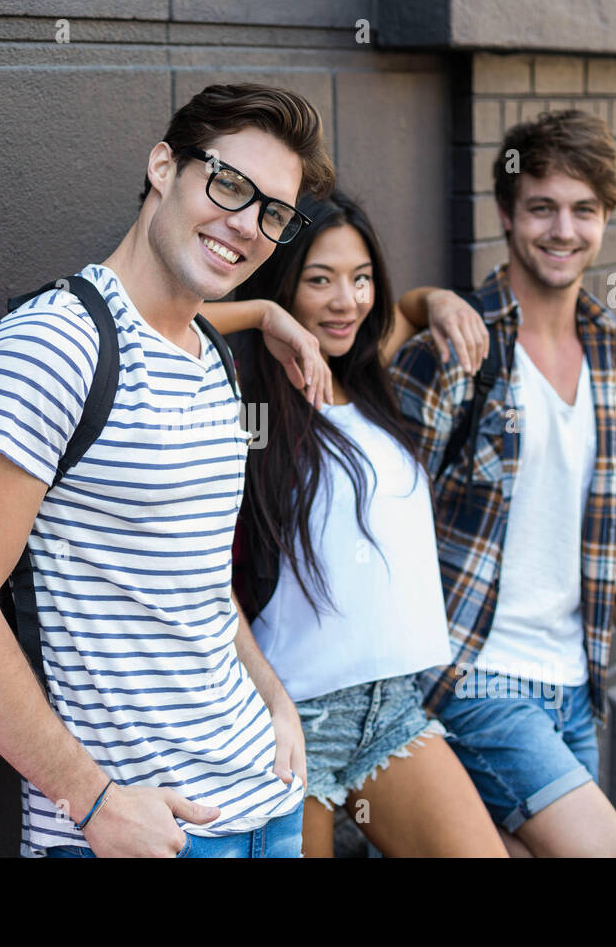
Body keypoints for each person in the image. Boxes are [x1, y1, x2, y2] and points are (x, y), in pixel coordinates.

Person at [0, 83, 336, 857]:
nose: (247, 226)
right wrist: (93, 799)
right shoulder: (50, 349)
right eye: (230, 185)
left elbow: (199, 583)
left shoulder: (213, 361)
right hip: (138, 832)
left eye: (274, 213)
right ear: (164, 167)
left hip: (268, 804)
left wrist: (273, 696)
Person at [390, 110, 616, 857]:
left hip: (576, 689)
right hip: (474, 678)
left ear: (606, 217)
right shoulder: (455, 352)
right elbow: (376, 520)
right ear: (506, 216)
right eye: (542, 207)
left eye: (584, 210)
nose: (564, 230)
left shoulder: (614, 357)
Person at [203, 191, 507, 857]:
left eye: (360, 276)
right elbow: (147, 318)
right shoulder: (239, 385)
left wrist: (438, 302)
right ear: (282, 286)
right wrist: (259, 315)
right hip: (288, 717)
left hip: (390, 708)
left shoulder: (363, 369)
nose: (347, 300)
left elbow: (399, 310)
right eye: (319, 280)